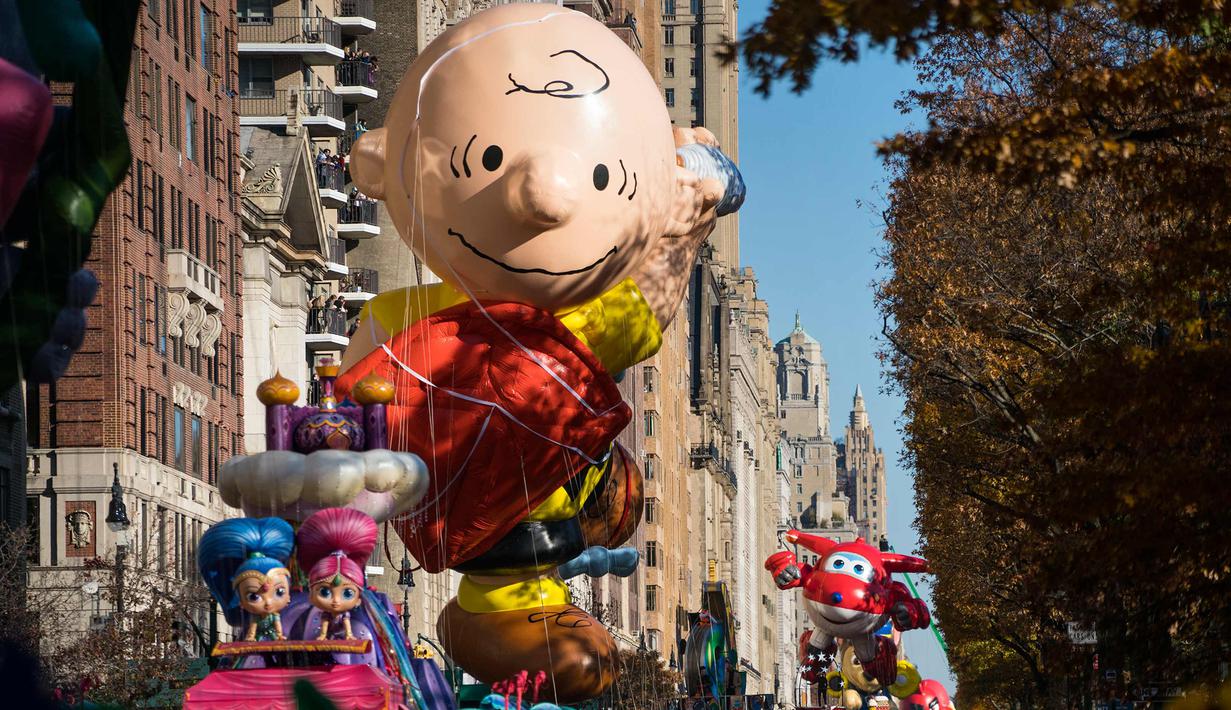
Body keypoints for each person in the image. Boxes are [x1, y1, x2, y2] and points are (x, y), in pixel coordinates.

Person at [334, 4, 729, 701]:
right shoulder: (529, 328)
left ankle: (502, 617)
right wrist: (687, 228)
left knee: (608, 528)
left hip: (532, 542)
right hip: (498, 574)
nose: (545, 198)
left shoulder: (415, 320)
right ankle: (491, 622)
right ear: (380, 162)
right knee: (583, 667)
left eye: (604, 176)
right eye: (484, 160)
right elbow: (652, 299)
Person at [197, 517, 295, 642]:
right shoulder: (255, 618)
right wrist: (251, 636)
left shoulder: (278, 616)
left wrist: (280, 635)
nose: (268, 603)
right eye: (254, 596)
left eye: (279, 592)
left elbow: (277, 628)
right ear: (240, 600)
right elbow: (253, 629)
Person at [295, 508, 378, 641]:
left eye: (347, 594)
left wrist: (349, 635)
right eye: (324, 592)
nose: (336, 601)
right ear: (311, 595)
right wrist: (322, 635)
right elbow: (324, 624)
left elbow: (346, 625)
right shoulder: (322, 614)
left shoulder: (345, 615)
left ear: (358, 599)